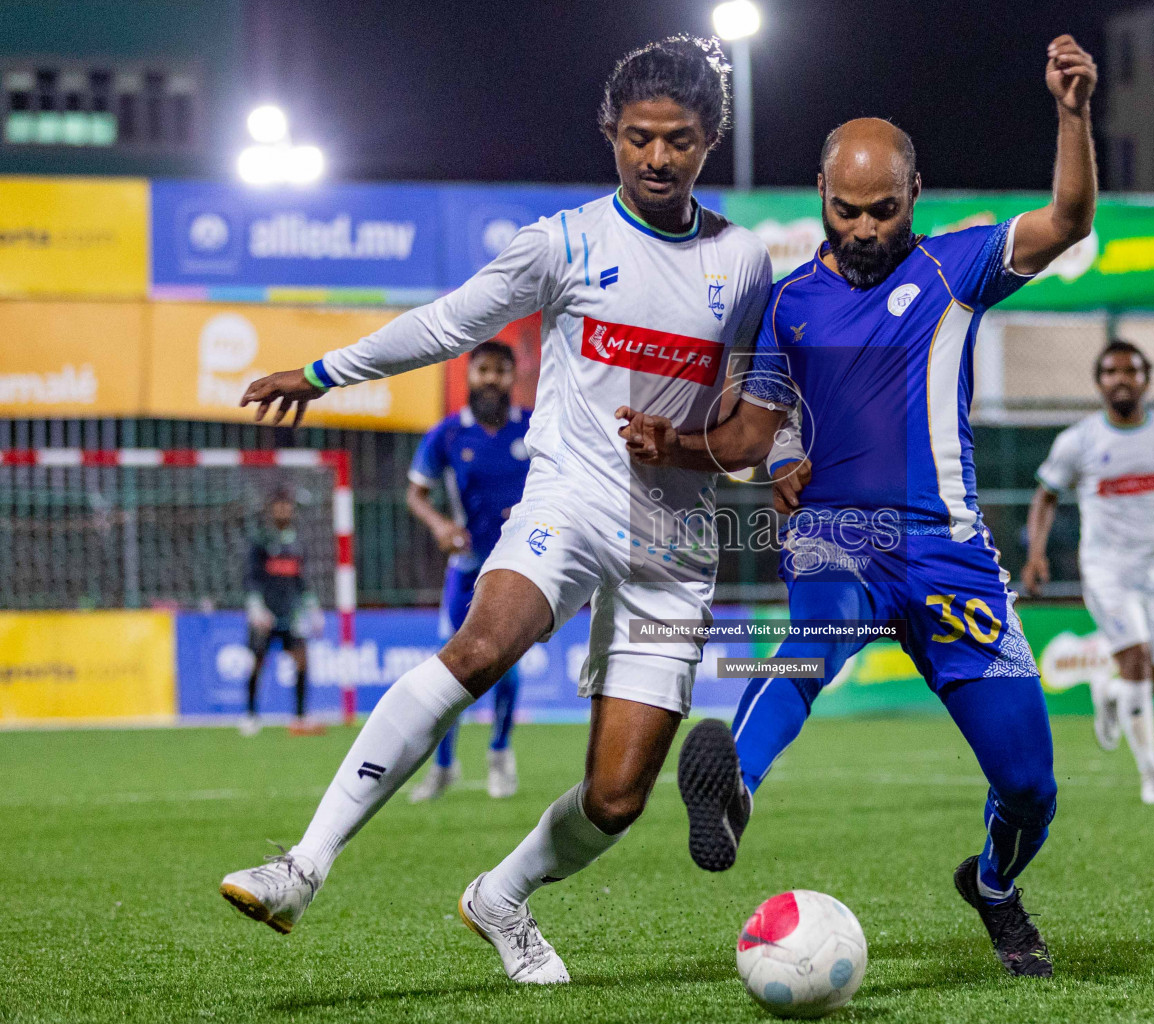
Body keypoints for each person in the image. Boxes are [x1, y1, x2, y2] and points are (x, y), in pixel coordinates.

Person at [217, 35, 773, 985]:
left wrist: (721, 449)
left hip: (677, 544)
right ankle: (302, 866)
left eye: (678, 140)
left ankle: (501, 896)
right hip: (572, 499)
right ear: (611, 133)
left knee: (619, 797)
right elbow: (446, 322)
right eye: (639, 137)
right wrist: (321, 374)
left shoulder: (746, 263)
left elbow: (743, 420)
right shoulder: (564, 243)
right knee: (479, 646)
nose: (657, 157)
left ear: (709, 139)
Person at [619, 35, 1098, 979]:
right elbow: (754, 437)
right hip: (840, 537)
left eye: (884, 209)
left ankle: (995, 886)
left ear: (913, 198)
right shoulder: (787, 306)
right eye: (847, 209)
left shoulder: (960, 269)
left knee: (1031, 786)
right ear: (822, 198)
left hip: (951, 554)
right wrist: (690, 447)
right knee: (811, 643)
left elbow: (1071, 219)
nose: (866, 226)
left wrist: (1072, 115)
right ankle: (734, 792)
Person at [1021, 339, 1154, 805]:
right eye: (1111, 372)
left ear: (1146, 380)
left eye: (1130, 371)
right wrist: (1036, 553)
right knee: (1134, 658)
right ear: (1098, 383)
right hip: (1105, 569)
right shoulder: (1078, 441)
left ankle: (1110, 694)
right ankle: (1153, 776)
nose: (1121, 379)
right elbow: (1046, 495)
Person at [405, 340, 531, 801]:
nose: (491, 379)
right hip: (467, 567)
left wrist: (533, 508)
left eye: (501, 370)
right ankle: (443, 766)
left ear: (513, 377)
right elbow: (415, 493)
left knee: (508, 670)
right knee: (450, 669)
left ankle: (500, 755)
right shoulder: (448, 435)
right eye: (483, 370)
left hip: (519, 568)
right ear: (470, 375)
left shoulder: (535, 428)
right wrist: (440, 524)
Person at [240, 489, 324, 737]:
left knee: (301, 659)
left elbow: (301, 581)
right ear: (271, 510)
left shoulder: (297, 543)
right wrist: (256, 607)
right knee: (257, 663)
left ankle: (299, 715)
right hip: (265, 614)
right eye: (279, 506)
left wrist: (313, 608)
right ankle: (251, 715)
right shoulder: (261, 541)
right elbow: (251, 578)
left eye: (287, 506)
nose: (284, 511)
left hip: (291, 614)